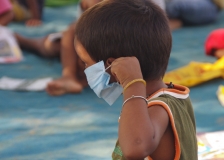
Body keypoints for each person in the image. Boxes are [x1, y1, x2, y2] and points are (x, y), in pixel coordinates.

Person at [74, 0, 198, 159]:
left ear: (114, 66)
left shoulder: (158, 108)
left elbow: (135, 148)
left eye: (87, 63)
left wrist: (133, 84)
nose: (85, 69)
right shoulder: (160, 98)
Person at [15, 0, 102, 96]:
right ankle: (69, 77)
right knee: (53, 44)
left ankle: (77, 78)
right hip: (80, 42)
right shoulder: (93, 5)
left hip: (102, 51)